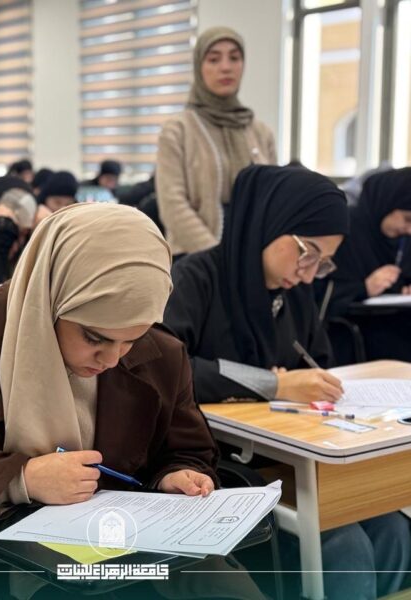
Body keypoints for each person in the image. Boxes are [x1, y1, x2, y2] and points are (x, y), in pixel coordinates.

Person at [0, 202, 264, 600]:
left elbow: (186, 450)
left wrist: (176, 475)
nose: (112, 359)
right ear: (51, 296)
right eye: (94, 337)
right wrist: (20, 478)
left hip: (120, 561)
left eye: (131, 339)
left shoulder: (160, 351)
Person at [164, 164, 410, 600]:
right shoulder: (196, 278)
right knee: (346, 544)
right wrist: (273, 384)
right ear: (270, 222)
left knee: (393, 529)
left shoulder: (293, 293)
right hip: (219, 467)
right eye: (307, 252)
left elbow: (317, 364)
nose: (310, 273)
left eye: (322, 262)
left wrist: (306, 383)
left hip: (301, 456)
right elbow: (171, 369)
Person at [156, 27, 276, 258]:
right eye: (213, 59)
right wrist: (218, 258)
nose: (226, 67)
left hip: (253, 257)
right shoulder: (178, 129)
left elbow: (272, 200)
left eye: (234, 58)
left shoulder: (260, 132)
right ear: (198, 67)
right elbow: (172, 205)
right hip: (194, 260)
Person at [320, 167, 411, 362]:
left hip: (396, 324)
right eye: (407, 219)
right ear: (386, 203)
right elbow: (318, 292)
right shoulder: (346, 230)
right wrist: (365, 287)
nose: (409, 229)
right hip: (352, 333)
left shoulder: (405, 240)